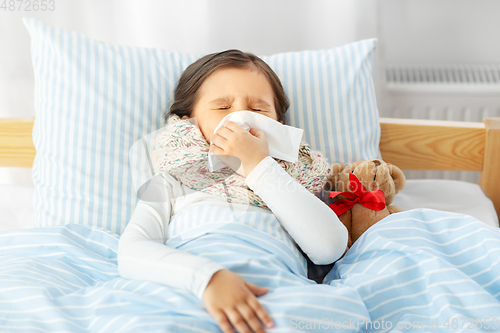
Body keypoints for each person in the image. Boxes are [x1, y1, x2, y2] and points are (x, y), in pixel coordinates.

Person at [117, 49, 349, 333]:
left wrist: (259, 165)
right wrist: (208, 278)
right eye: (223, 107)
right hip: (188, 290)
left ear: (279, 125)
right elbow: (132, 251)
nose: (239, 118)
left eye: (258, 109)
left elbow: (329, 248)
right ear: (189, 120)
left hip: (273, 297)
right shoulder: (172, 179)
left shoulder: (295, 181)